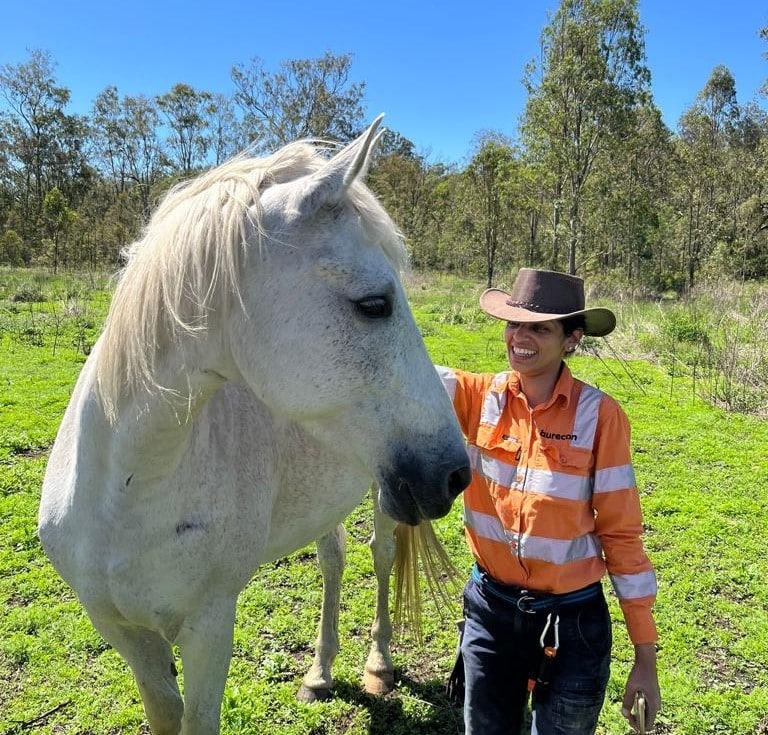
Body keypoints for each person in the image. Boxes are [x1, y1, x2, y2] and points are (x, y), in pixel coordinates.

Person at [439, 268, 660, 734]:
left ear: (571, 339)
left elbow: (621, 535)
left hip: (572, 624)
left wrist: (644, 656)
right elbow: (403, 373)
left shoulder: (600, 416)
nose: (519, 337)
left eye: (539, 328)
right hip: (489, 613)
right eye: (514, 323)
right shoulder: (480, 396)